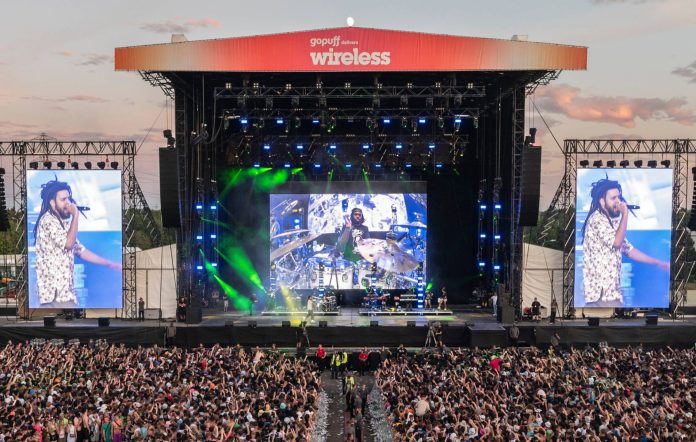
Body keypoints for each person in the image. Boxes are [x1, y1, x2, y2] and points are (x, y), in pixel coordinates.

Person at [581, 177, 669, 307]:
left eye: (619, 197)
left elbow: (628, 250)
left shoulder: (612, 221)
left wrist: (658, 263)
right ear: (602, 201)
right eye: (613, 198)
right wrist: (625, 214)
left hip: (611, 294)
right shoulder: (597, 220)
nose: (618, 202)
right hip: (601, 295)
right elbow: (616, 243)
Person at [34, 178, 122, 308]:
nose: (68, 203)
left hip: (64, 295)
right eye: (63, 200)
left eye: (68, 199)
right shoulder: (48, 221)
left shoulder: (62, 224)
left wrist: (110, 264)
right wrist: (76, 216)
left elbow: (80, 251)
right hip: (54, 296)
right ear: (52, 203)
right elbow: (68, 244)